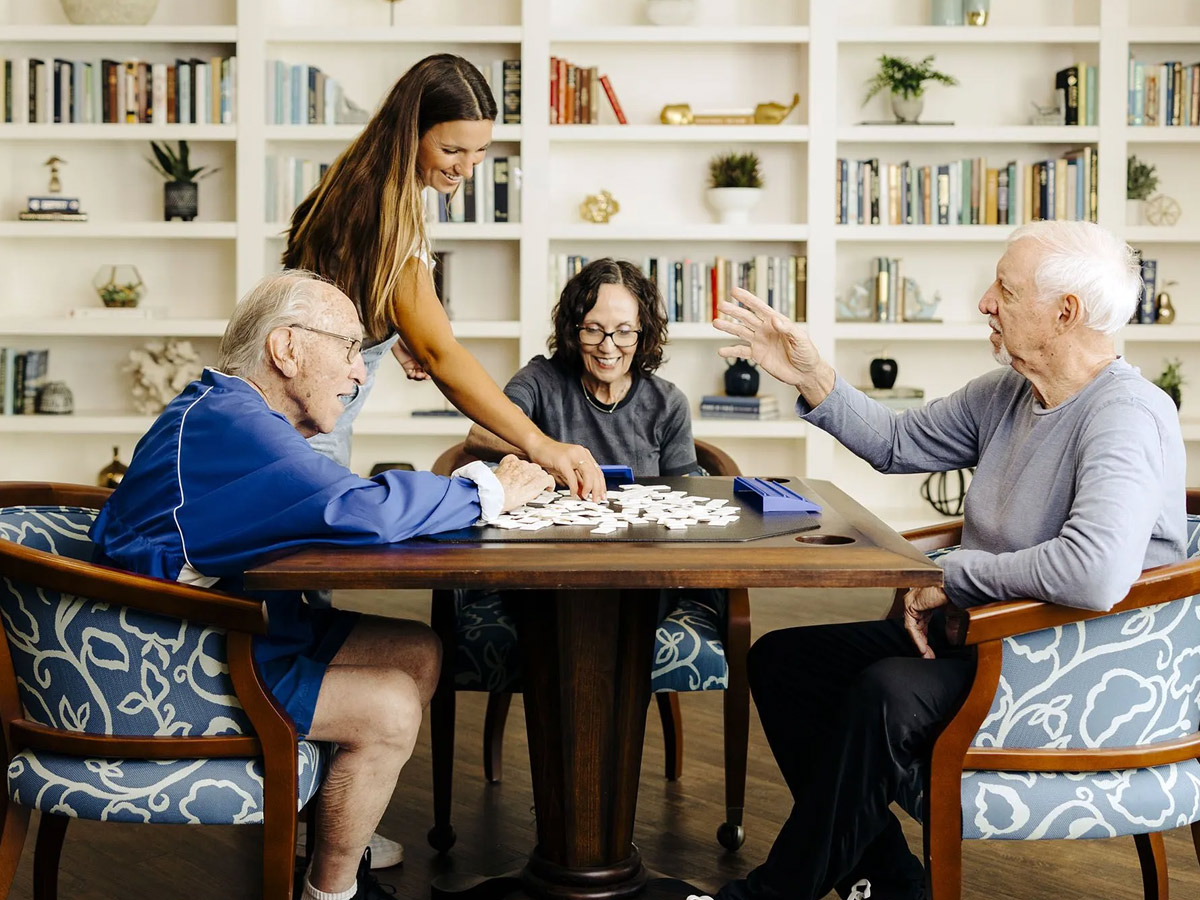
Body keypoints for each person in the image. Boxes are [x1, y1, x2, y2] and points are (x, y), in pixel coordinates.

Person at [706, 220, 1187, 900]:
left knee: (885, 693)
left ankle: (772, 895)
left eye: (1005, 288)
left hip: (1068, 668)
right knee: (785, 663)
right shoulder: (1008, 394)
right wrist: (813, 375)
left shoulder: (1127, 414)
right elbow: (897, 443)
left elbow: (1095, 571)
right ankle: (890, 878)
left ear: (1065, 312)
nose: (985, 301)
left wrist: (950, 575)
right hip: (985, 640)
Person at [90, 270, 555, 900]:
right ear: (285, 348)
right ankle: (333, 891)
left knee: (417, 652)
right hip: (167, 662)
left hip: (216, 627)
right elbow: (366, 511)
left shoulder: (229, 411)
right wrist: (494, 488)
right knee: (388, 706)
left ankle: (339, 839)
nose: (360, 372)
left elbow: (341, 506)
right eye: (346, 349)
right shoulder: (230, 424)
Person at [283, 52, 605, 501]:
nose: (466, 169)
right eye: (451, 150)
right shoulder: (388, 210)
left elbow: (331, 281)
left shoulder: (362, 177)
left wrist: (390, 330)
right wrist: (541, 445)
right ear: (409, 131)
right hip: (307, 426)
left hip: (305, 412)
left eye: (479, 153)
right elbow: (440, 354)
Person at [464, 257, 699, 478]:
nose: (608, 347)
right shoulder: (539, 380)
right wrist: (545, 453)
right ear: (572, 330)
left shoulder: (668, 403)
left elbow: (686, 491)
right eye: (593, 329)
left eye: (624, 331)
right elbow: (480, 434)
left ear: (643, 333)